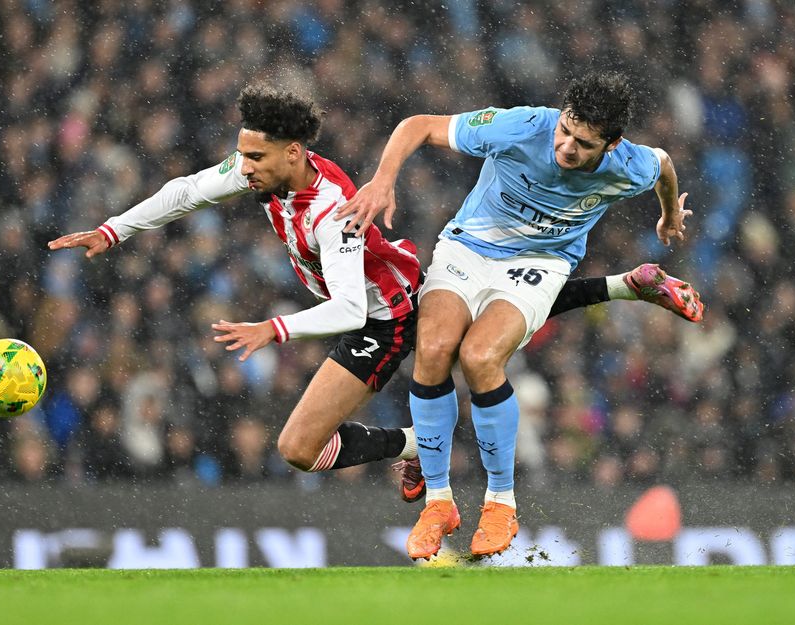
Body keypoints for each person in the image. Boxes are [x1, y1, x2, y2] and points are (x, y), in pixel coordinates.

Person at [49, 82, 701, 504]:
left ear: (293, 153)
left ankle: (430, 446)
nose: (241, 168)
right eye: (241, 156)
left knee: (305, 444)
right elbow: (190, 188)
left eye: (253, 158)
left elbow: (349, 309)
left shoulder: (332, 212)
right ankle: (421, 441)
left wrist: (271, 329)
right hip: (382, 304)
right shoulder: (263, 174)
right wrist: (114, 229)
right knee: (310, 445)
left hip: (381, 316)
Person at [337, 71, 696, 558]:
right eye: (565, 130)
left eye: (583, 143)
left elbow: (664, 164)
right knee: (436, 347)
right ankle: (439, 503)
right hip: (468, 247)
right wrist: (383, 180)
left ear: (611, 146)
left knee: (481, 357)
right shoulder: (521, 125)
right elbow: (419, 124)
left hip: (540, 263)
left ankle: (500, 503)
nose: (566, 146)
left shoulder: (630, 166)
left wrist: (669, 214)